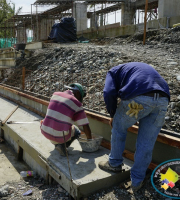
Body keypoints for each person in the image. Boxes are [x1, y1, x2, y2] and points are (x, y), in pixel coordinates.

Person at [98, 62, 170, 191]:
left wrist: (113, 114)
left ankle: (114, 163)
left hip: (139, 98)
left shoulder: (112, 72)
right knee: (146, 143)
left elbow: (108, 92)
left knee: (118, 127)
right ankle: (137, 182)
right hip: (163, 99)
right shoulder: (136, 69)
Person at [40, 83, 92, 156]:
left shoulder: (55, 94)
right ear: (77, 93)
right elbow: (85, 125)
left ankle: (58, 144)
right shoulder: (76, 103)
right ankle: (62, 146)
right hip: (59, 136)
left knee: (60, 124)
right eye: (81, 96)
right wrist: (90, 140)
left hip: (45, 131)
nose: (80, 99)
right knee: (77, 131)